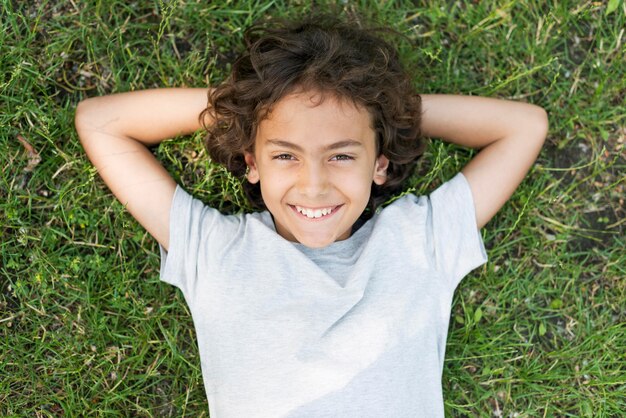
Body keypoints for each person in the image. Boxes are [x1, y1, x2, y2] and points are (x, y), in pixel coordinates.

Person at [75, 14, 547, 418]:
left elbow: (524, 127)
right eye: (285, 156)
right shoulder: (213, 250)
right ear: (252, 162)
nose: (314, 184)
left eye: (342, 155)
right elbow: (100, 122)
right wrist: (250, 107)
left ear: (379, 163)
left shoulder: (419, 240)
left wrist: (382, 111)